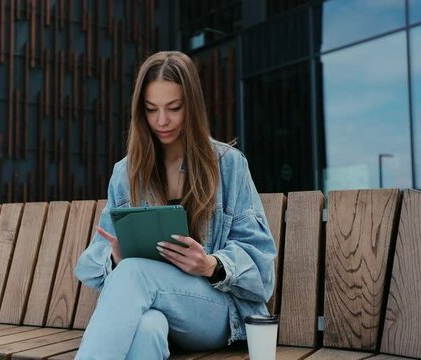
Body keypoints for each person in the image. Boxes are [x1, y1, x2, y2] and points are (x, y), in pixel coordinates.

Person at [74, 51, 276, 359]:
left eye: (174, 108)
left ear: (192, 107)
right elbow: (90, 263)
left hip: (215, 310)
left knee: (132, 273)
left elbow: (262, 270)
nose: (162, 121)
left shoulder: (228, 165)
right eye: (151, 109)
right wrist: (114, 259)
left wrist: (210, 265)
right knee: (147, 329)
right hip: (156, 309)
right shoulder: (127, 173)